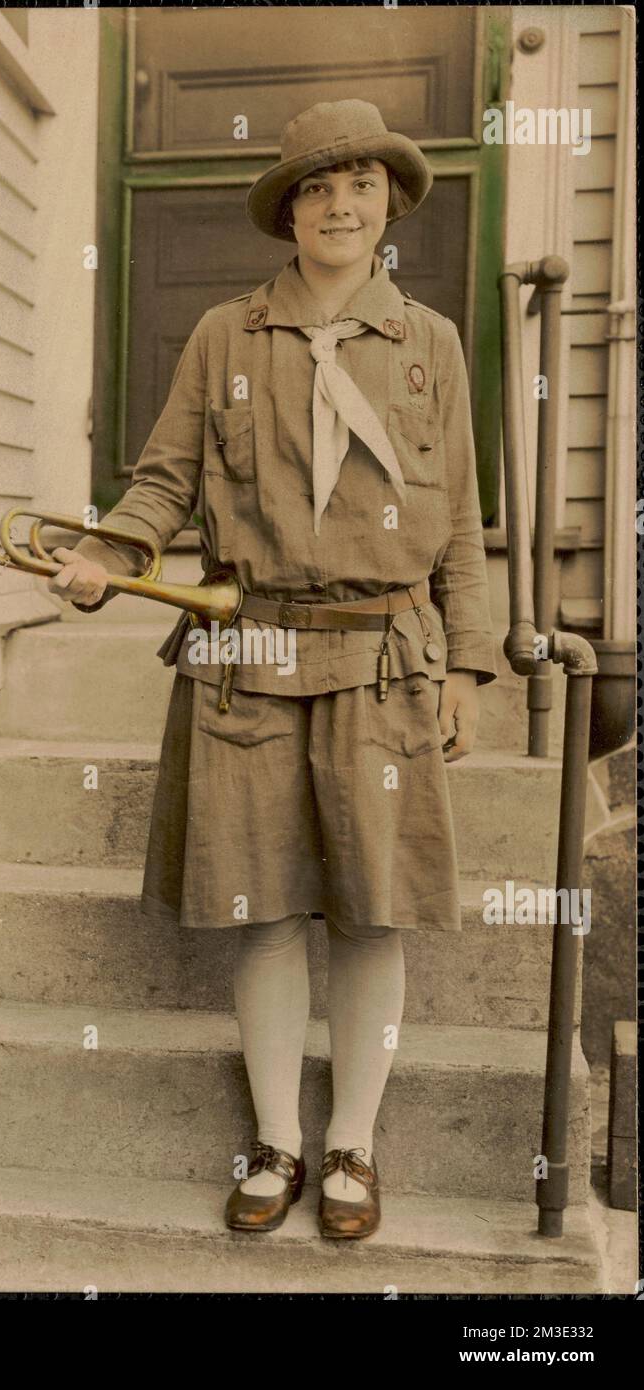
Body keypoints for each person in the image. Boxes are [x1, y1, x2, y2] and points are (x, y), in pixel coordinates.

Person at [48, 99, 497, 1240]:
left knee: (370, 911)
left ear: (387, 202)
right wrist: (108, 548)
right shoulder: (221, 337)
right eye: (313, 186)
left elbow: (460, 524)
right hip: (248, 654)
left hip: (387, 655)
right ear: (287, 213)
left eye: (357, 183)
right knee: (262, 911)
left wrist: (466, 664)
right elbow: (163, 480)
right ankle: (276, 1141)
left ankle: (350, 1141)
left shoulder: (430, 344)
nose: (337, 203)